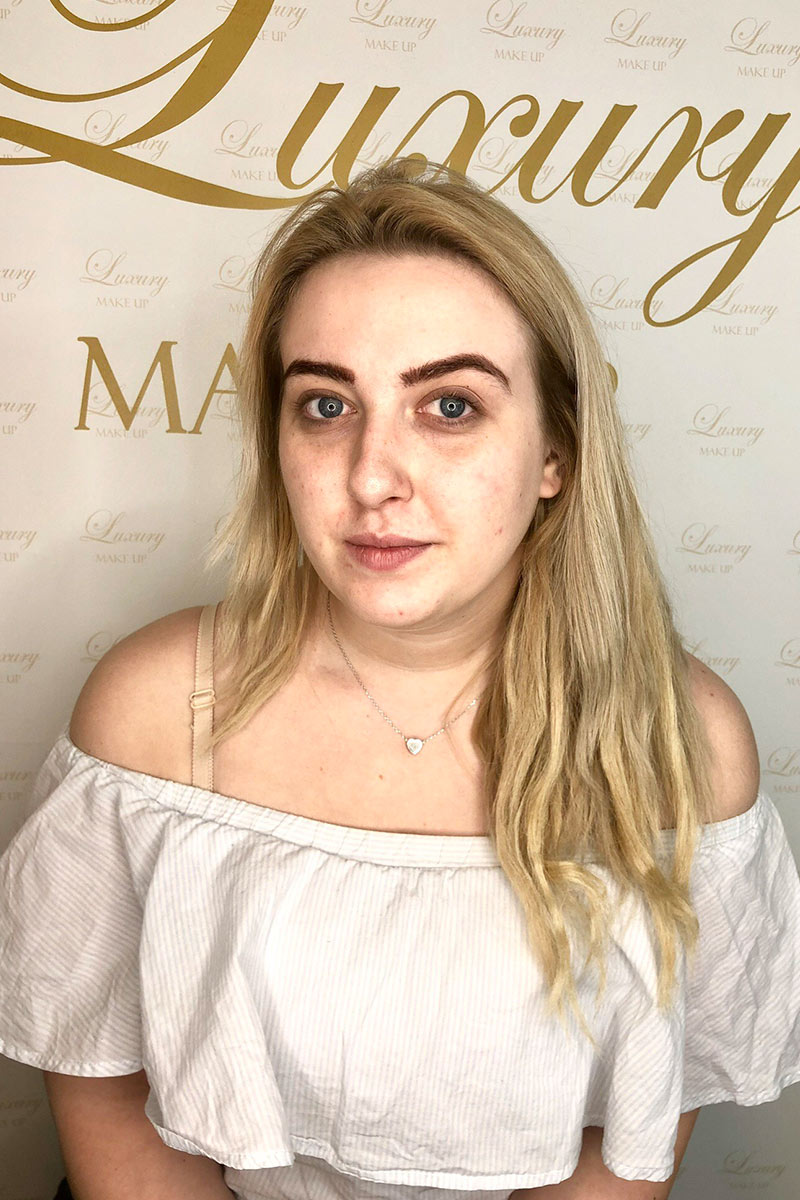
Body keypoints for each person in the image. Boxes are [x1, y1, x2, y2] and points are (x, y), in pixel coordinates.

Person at [1, 156, 799, 1200]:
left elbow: (641, 1123)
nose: (372, 476)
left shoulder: (681, 744)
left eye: (450, 406)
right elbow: (101, 1076)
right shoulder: (151, 712)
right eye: (326, 405)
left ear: (554, 454)